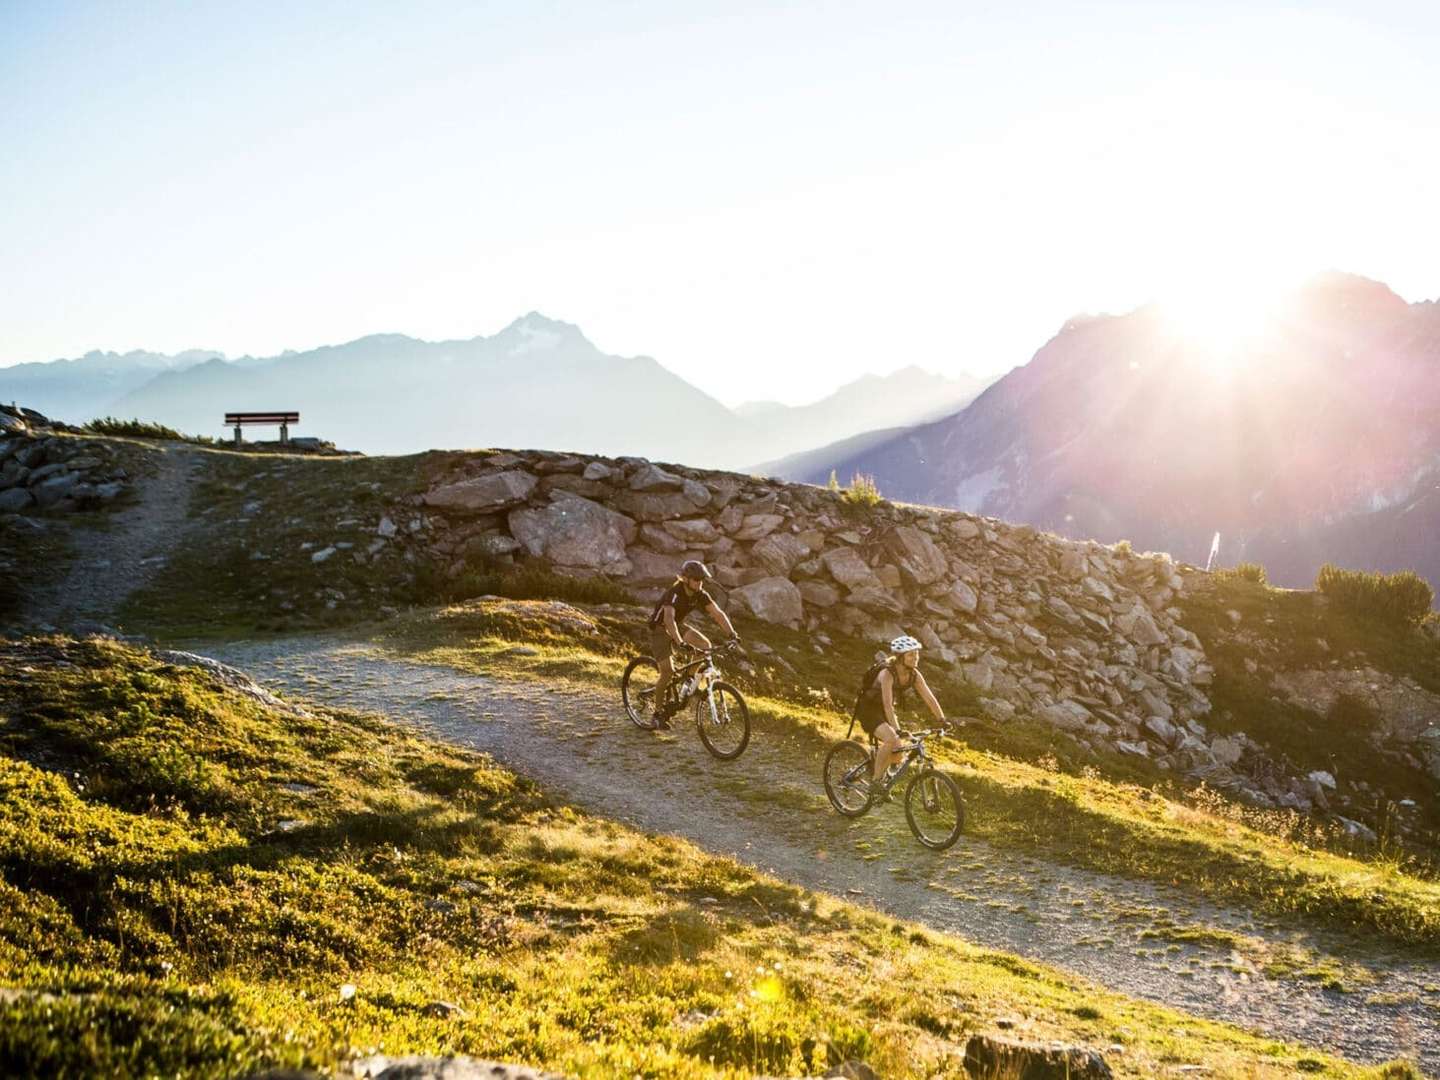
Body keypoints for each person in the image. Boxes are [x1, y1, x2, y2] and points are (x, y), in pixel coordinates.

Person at [647, 560, 739, 727]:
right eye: (696, 579)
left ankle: (689, 680)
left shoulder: (700, 594)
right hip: (660, 629)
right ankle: (657, 714)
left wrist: (732, 634)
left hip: (678, 626)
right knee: (667, 672)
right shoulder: (674, 593)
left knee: (705, 646)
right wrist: (680, 642)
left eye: (701, 579)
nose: (699, 582)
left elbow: (718, 614)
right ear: (685, 579)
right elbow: (668, 619)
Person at [854, 634, 948, 798]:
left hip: (884, 710)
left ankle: (878, 764)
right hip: (868, 709)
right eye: (911, 654)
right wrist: (897, 730)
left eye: (916, 654)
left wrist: (942, 719)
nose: (915, 657)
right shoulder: (887, 674)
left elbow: (929, 698)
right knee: (892, 739)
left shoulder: (914, 675)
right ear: (900, 657)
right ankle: (875, 782)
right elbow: (887, 704)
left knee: (898, 754)